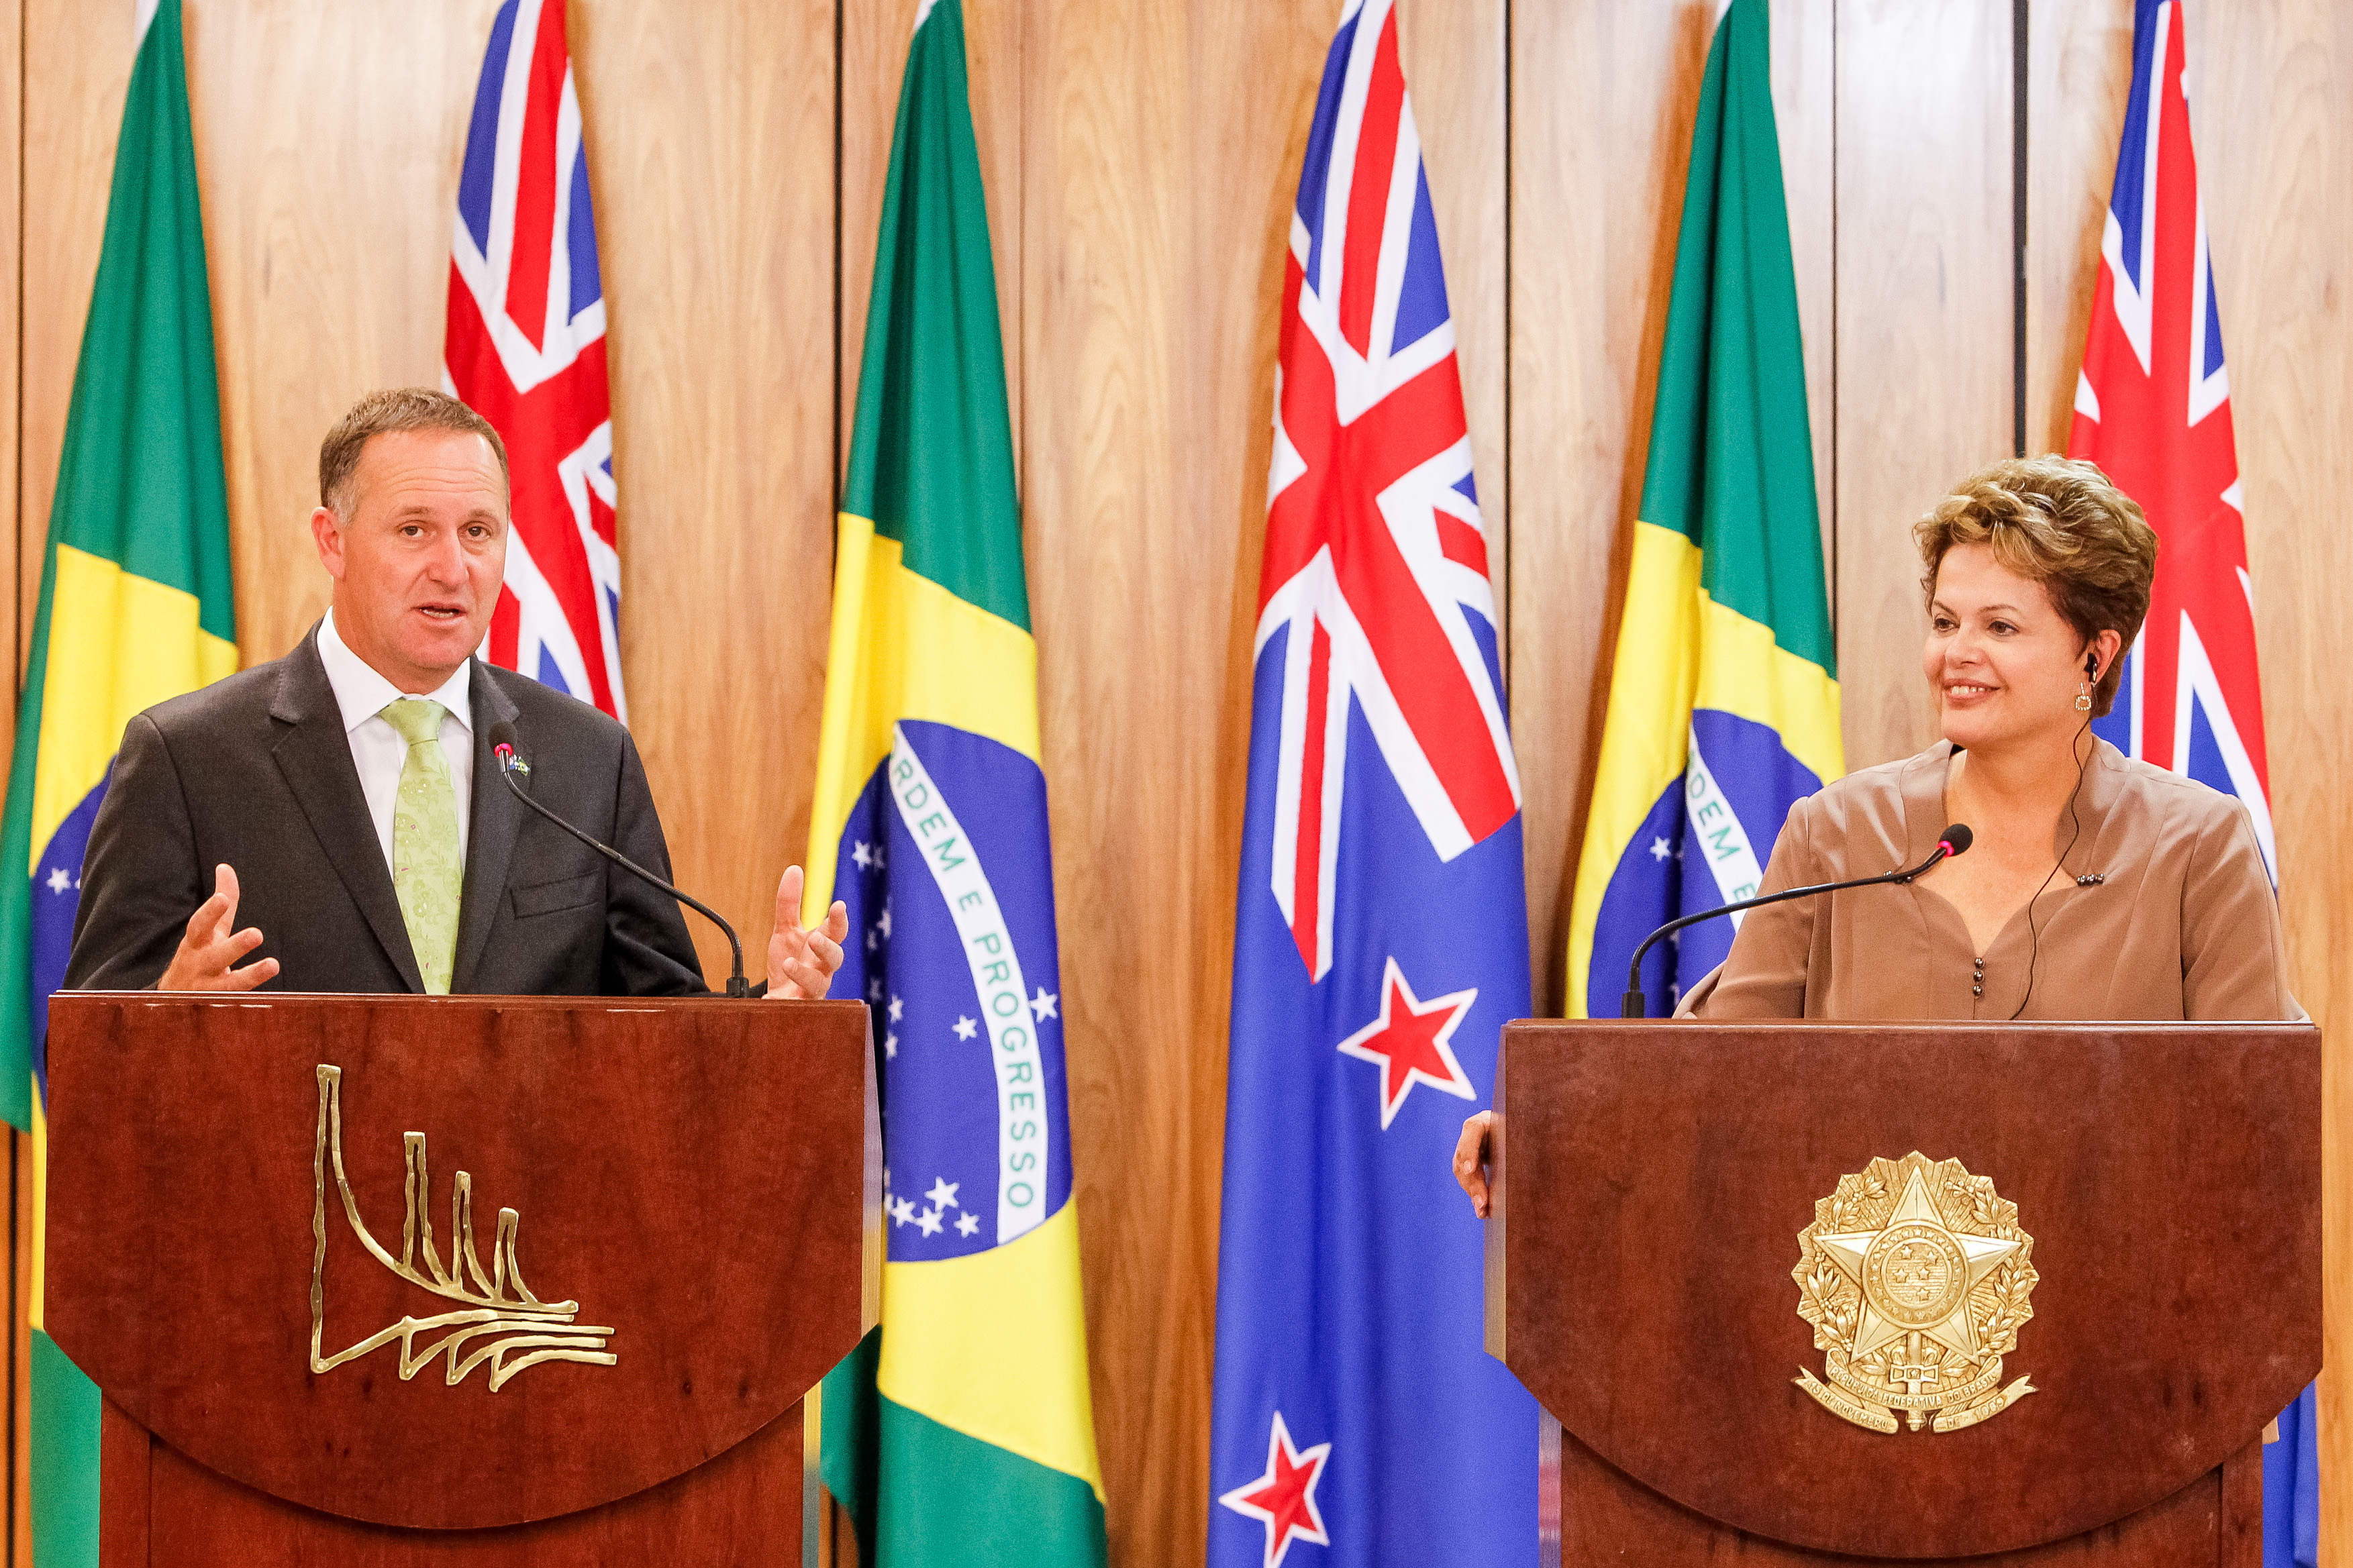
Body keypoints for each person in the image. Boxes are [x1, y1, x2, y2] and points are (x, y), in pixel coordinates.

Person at [1454, 455, 2299, 1216]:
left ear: (2094, 654)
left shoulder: (2195, 846)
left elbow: (2255, 1112)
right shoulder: (1837, 832)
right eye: (1943, 621)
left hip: (2123, 1314)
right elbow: (1714, 1070)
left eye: (1998, 627)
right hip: (1861, 1336)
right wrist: (1552, 1135)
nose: (1955, 654)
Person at [65, 388, 849, 1001]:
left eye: (478, 532)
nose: (453, 567)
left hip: (524, 1205)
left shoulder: (585, 758)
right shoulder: (189, 760)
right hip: (286, 1201)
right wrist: (164, 1007)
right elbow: (91, 1047)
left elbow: (659, 1029)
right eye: (413, 530)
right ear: (332, 541)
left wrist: (768, 1012)